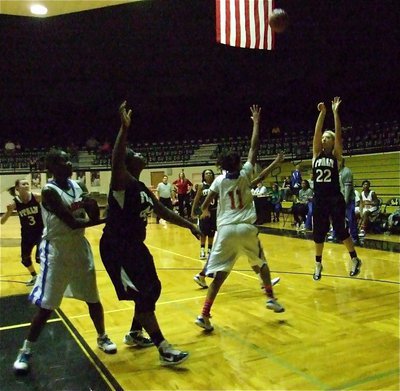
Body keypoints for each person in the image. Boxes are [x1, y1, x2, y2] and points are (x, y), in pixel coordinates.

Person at [99, 101, 202, 366]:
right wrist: (124, 129)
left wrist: (190, 224)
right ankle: (163, 346)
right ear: (128, 161)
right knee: (143, 293)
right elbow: (117, 158)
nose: (139, 154)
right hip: (117, 247)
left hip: (135, 246)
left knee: (153, 289)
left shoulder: (143, 187)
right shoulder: (121, 182)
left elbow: (164, 212)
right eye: (133, 153)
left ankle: (135, 332)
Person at [13, 149, 116, 374]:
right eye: (62, 161)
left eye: (69, 159)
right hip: (57, 250)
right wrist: (110, 219)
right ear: (51, 167)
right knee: (47, 306)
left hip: (79, 247)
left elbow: (91, 217)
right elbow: (71, 222)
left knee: (93, 298)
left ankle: (102, 336)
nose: (69, 163)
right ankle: (26, 350)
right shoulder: (49, 191)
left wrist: (94, 209)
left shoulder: (78, 186)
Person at [195, 105, 284, 333]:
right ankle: (271, 298)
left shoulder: (218, 181)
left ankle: (204, 314)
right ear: (238, 163)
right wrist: (255, 122)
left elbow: (206, 203)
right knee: (261, 263)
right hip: (245, 227)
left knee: (220, 276)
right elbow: (253, 147)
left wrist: (203, 211)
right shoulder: (245, 173)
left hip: (224, 230)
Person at [311, 97, 362, 280]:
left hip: (334, 197)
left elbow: (339, 134)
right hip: (319, 198)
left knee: (340, 230)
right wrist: (322, 113)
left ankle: (355, 259)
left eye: (327, 138)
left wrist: (334, 113)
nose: (323, 139)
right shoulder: (316, 154)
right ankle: (318, 263)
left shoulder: (336, 156)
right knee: (318, 232)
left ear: (332, 142)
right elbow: (316, 133)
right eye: (323, 138)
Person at [1, 179, 43, 286]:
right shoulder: (15, 203)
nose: (26, 185)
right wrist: (9, 211)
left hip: (40, 232)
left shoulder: (36, 197)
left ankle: (47, 277)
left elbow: (52, 204)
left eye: (27, 183)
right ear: (17, 188)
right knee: (25, 259)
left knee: (40, 258)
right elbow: (2, 221)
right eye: (23, 184)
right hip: (26, 234)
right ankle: (34, 276)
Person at [191, 169, 217, 288]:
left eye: (210, 173)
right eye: (206, 173)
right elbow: (196, 200)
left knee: (212, 233)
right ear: (203, 176)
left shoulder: (216, 184)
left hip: (214, 212)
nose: (209, 175)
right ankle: (202, 249)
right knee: (203, 233)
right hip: (204, 212)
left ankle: (210, 250)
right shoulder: (201, 186)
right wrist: (194, 213)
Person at [330, 159, 358, 242]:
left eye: (338, 162)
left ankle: (354, 236)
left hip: (348, 200)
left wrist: (345, 201)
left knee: (351, 218)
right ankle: (335, 234)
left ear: (342, 162)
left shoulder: (347, 172)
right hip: (337, 199)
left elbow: (347, 189)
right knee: (336, 218)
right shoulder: (335, 172)